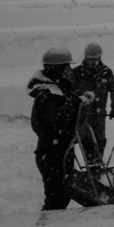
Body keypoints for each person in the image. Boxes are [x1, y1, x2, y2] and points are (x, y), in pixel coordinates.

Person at [28, 47, 94, 211]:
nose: (69, 70)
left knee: (62, 196)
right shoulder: (46, 94)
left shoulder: (56, 87)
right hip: (51, 153)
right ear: (56, 69)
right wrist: (77, 102)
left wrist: (80, 96)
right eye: (66, 67)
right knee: (56, 199)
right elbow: (59, 119)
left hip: (60, 151)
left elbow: (66, 101)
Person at [71, 42, 114, 158]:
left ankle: (98, 163)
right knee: (85, 140)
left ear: (100, 57)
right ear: (85, 57)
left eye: (94, 60)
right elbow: (70, 91)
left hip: (99, 115)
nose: (92, 63)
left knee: (99, 140)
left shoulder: (106, 73)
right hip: (81, 115)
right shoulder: (76, 73)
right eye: (89, 60)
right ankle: (90, 164)